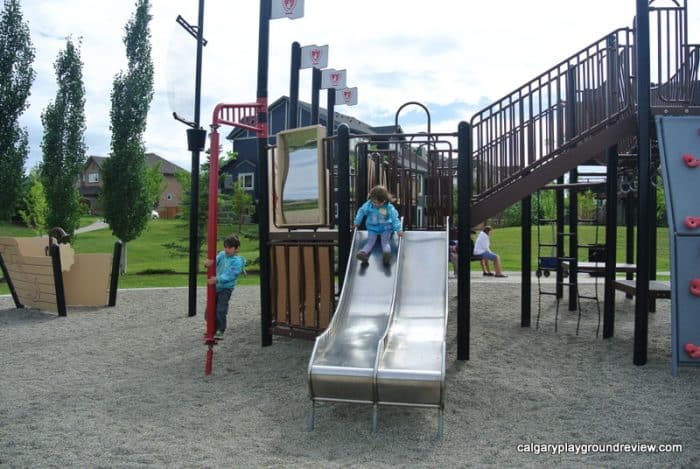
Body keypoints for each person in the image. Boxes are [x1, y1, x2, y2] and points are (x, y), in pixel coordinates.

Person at [204, 234, 246, 339]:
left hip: (225, 289)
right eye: (226, 247)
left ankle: (220, 329)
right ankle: (211, 328)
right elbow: (214, 261)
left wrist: (217, 279)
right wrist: (208, 264)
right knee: (208, 311)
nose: (227, 249)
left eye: (230, 247)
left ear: (237, 249)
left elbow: (230, 274)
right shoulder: (222, 255)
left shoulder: (237, 262)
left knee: (221, 310)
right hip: (215, 287)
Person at [353, 185, 404, 266]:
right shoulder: (369, 205)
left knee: (385, 242)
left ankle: (386, 254)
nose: (375, 204)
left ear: (384, 200)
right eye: (373, 202)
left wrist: (399, 230)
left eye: (378, 202)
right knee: (370, 242)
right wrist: (357, 222)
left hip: (385, 228)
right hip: (372, 228)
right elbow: (361, 211)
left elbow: (395, 218)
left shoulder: (389, 208)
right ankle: (363, 253)